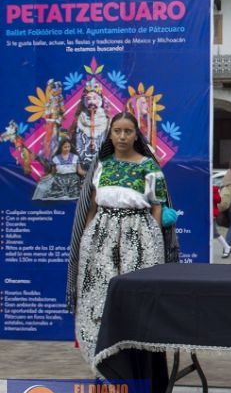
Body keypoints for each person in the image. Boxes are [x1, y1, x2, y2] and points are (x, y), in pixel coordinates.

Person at [66, 111, 178, 367]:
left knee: (136, 298)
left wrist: (152, 237)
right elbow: (92, 205)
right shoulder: (101, 164)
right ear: (110, 134)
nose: (122, 136)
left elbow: (157, 206)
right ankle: (108, 364)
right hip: (101, 237)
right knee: (100, 295)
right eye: (117, 131)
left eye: (128, 131)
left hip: (139, 237)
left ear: (136, 134)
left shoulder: (150, 167)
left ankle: (138, 365)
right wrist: (86, 235)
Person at [212, 185, 231, 257]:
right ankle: (227, 247)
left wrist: (210, 194)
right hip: (203, 213)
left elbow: (218, 200)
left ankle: (227, 247)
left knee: (214, 232)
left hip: (211, 214)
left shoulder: (213, 188)